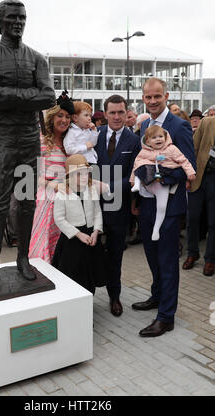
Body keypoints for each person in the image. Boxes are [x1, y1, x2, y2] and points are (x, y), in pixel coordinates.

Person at [0, 0, 56, 293]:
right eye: (12, 17)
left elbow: (48, 97)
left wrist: (13, 96)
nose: (18, 22)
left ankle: (23, 258)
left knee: (26, 202)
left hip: (27, 138)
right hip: (1, 138)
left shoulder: (37, 59)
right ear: (0, 22)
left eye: (22, 17)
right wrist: (28, 95)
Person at [131, 77, 196, 337]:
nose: (153, 101)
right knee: (150, 254)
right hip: (146, 204)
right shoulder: (145, 124)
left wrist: (158, 178)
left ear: (166, 96)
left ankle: (166, 316)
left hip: (170, 204)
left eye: (157, 96)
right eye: (148, 97)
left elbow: (189, 166)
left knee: (167, 260)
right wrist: (139, 194)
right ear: (143, 98)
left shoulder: (179, 126)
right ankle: (157, 296)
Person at [95, 94, 140, 317]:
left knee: (115, 254)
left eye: (121, 112)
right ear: (105, 114)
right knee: (90, 252)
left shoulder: (133, 141)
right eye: (112, 112)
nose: (116, 116)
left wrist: (107, 186)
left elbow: (134, 175)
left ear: (126, 112)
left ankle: (115, 296)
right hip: (91, 205)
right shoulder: (94, 135)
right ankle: (88, 294)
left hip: (119, 206)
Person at [29, 92, 74, 263]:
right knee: (45, 245)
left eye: (68, 116)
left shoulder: (70, 141)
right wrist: (54, 186)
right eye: (60, 115)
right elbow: (34, 175)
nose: (64, 120)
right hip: (47, 201)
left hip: (68, 200)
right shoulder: (42, 141)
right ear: (51, 117)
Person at [52, 154, 106, 294]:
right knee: (73, 273)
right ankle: (74, 303)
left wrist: (96, 231)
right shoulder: (62, 194)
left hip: (90, 236)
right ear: (69, 176)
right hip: (73, 240)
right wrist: (78, 234)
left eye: (85, 174)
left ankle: (89, 302)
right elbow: (59, 218)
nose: (82, 177)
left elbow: (97, 212)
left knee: (90, 273)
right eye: (78, 174)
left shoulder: (91, 190)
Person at [130, 125, 195, 241]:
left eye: (160, 136)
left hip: (163, 182)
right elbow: (136, 166)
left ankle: (156, 229)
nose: (158, 139)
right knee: (140, 165)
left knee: (162, 206)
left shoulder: (172, 149)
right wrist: (132, 180)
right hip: (148, 183)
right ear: (148, 141)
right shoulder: (144, 151)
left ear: (166, 137)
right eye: (154, 137)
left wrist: (190, 173)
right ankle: (136, 184)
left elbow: (184, 161)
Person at [182, 115, 215, 276]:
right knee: (192, 218)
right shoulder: (208, 121)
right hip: (199, 176)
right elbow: (193, 148)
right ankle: (192, 253)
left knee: (214, 222)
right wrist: (188, 176)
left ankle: (210, 258)